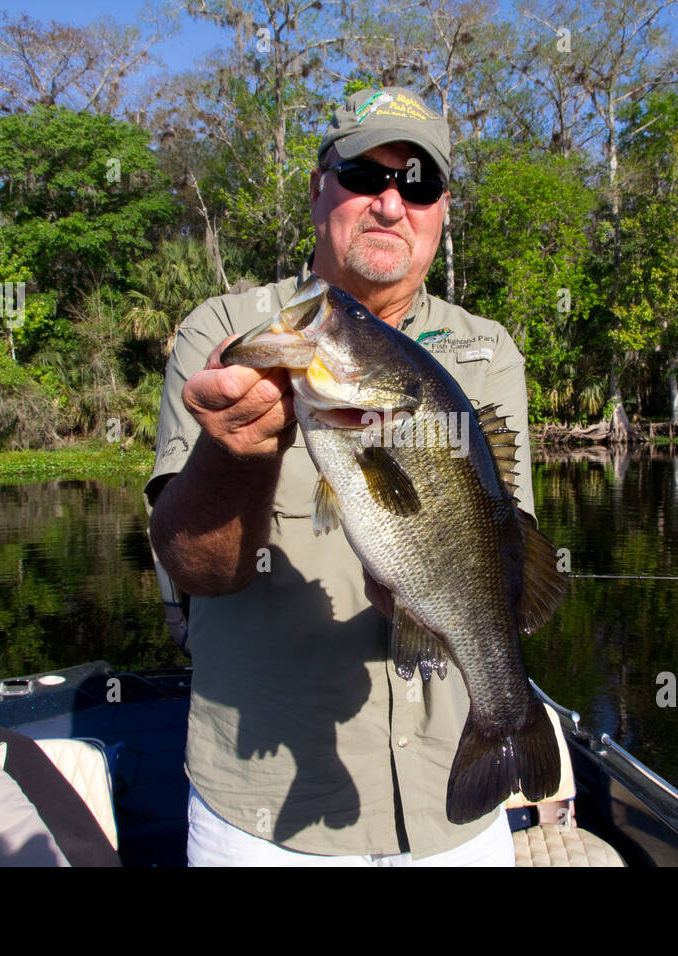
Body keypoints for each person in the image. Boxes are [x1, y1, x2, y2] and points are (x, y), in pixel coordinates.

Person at [146, 86, 538, 866]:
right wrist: (232, 453)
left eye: (418, 184)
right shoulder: (227, 335)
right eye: (366, 174)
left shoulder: (486, 352)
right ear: (320, 186)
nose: (391, 202)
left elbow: (506, 554)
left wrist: (420, 589)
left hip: (447, 815)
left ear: (442, 210)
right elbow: (198, 570)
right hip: (265, 828)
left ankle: (508, 722)